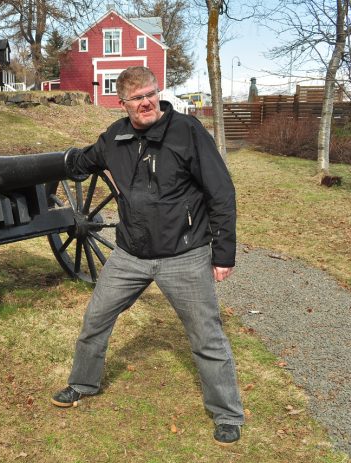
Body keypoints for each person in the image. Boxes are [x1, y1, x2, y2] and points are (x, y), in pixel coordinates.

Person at [52, 66, 244, 446]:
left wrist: (223, 254)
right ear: (122, 104)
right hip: (130, 255)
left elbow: (221, 193)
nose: (147, 102)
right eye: (137, 98)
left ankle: (227, 414)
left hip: (184, 254)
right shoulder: (115, 137)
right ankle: (82, 384)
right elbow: (85, 161)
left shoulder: (187, 132)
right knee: (95, 319)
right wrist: (60, 161)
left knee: (206, 336)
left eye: (151, 93)